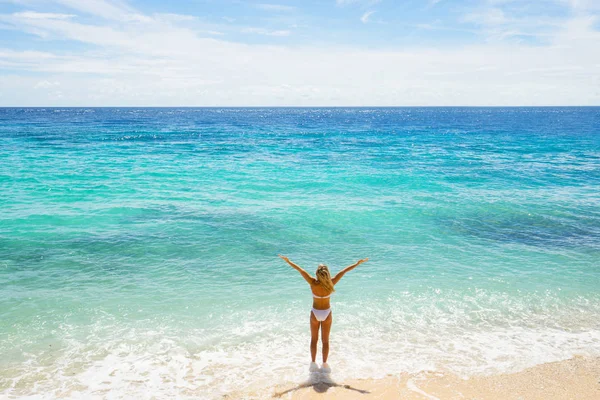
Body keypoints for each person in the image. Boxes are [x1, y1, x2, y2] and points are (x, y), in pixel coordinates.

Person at [278, 255, 369, 372]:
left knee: (314, 339)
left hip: (315, 313)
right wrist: (357, 263)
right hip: (326, 313)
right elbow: (344, 271)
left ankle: (313, 364)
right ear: (327, 274)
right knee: (325, 341)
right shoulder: (331, 283)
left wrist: (288, 261)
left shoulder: (312, 282)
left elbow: (300, 270)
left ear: (317, 274)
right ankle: (325, 365)